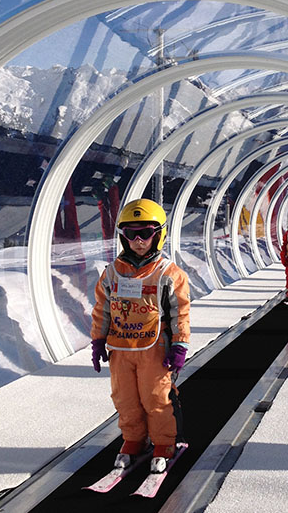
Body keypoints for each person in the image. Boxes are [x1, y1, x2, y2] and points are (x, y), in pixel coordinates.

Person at [90, 198, 190, 475]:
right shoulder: (111, 274)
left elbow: (180, 312)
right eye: (130, 233)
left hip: (154, 349)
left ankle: (163, 443)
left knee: (156, 398)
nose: (138, 240)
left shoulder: (169, 274)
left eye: (145, 233)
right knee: (125, 398)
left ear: (158, 235)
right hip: (121, 348)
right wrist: (98, 340)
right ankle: (133, 439)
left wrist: (179, 345)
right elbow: (102, 310)